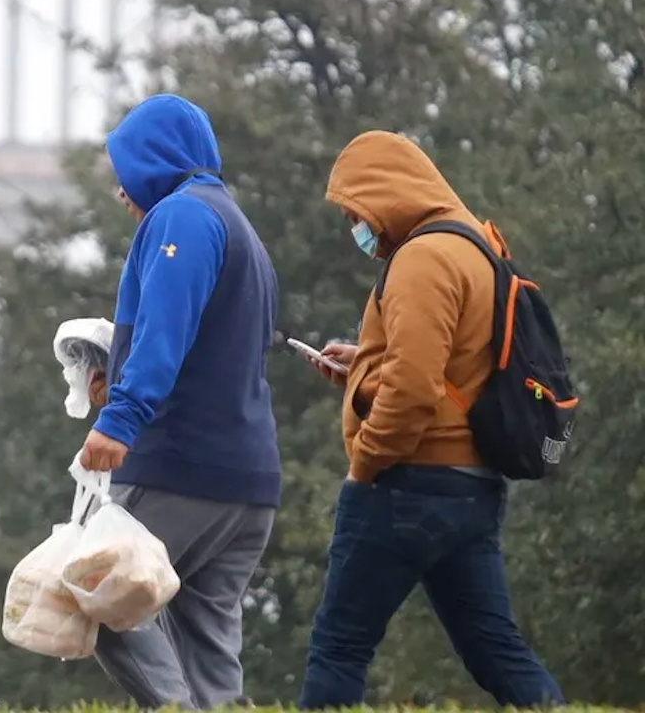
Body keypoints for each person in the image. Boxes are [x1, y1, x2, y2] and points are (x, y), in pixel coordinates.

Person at [297, 130, 564, 708]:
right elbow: (450, 371)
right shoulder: (477, 248)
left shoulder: (422, 257)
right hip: (473, 489)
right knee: (498, 652)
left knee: (339, 647)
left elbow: (415, 387)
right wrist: (363, 365)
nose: (356, 228)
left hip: (406, 484)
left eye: (356, 212)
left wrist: (365, 464)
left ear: (385, 193)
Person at [78, 93, 282, 710]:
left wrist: (120, 417)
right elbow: (209, 351)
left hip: (182, 470)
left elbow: (166, 332)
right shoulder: (235, 225)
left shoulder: (181, 218)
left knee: (102, 596)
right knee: (205, 649)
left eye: (128, 172)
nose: (121, 193)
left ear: (158, 161)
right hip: (247, 483)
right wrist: (114, 375)